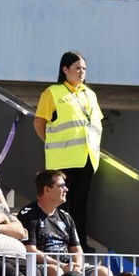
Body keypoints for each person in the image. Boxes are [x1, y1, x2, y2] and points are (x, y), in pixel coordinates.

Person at [34, 52, 101, 238]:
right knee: (61, 203)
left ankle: (79, 243)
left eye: (84, 68)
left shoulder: (90, 95)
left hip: (86, 158)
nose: (82, 72)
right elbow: (39, 122)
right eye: (77, 68)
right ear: (65, 69)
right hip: (62, 160)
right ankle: (61, 241)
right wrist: (50, 141)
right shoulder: (52, 92)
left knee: (81, 203)